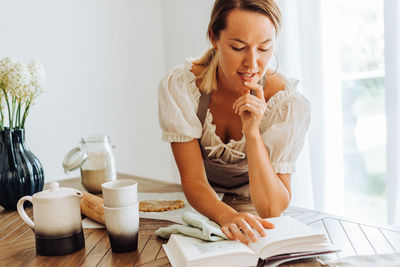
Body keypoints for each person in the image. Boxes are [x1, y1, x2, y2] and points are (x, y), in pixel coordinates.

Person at [158, 0, 310, 245]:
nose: (252, 63)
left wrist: (252, 134)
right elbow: (194, 180)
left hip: (258, 213)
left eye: (264, 49)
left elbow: (272, 208)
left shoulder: (286, 102)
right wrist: (226, 216)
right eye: (239, 47)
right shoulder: (183, 86)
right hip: (203, 207)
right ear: (214, 38)